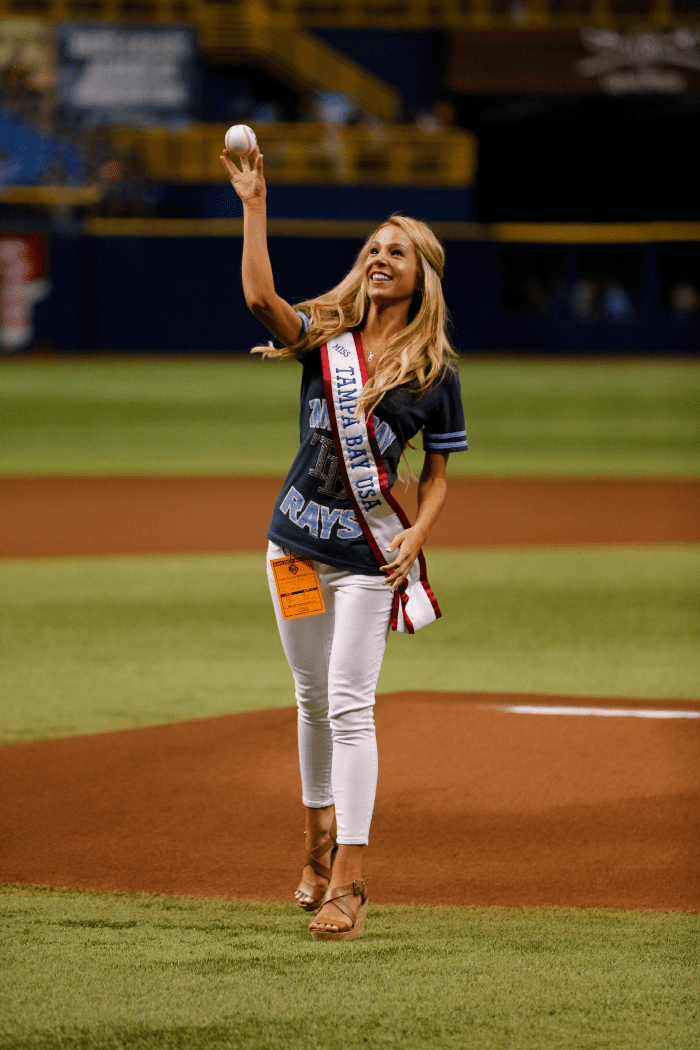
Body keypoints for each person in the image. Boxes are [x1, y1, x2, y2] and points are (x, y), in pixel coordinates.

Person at [221, 143, 468, 940]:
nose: (380, 260)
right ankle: (315, 837)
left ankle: (350, 883)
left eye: (396, 252)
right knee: (311, 699)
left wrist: (421, 532)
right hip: (292, 548)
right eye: (373, 251)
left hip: (366, 561)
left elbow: (436, 472)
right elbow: (261, 297)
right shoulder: (327, 337)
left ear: (423, 273)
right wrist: (254, 202)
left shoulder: (435, 371)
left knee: (351, 705)